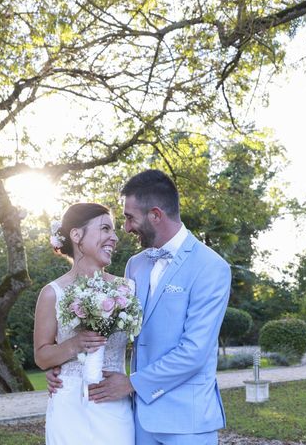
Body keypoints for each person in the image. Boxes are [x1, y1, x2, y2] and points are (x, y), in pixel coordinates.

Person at [47, 170, 231, 445]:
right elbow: (114, 329)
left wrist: (132, 384)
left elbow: (195, 351)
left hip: (187, 421)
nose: (126, 228)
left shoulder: (211, 267)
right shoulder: (136, 265)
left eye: (130, 217)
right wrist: (64, 362)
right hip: (138, 421)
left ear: (155, 215)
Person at [34, 202, 135, 445]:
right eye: (105, 229)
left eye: (113, 231)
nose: (114, 237)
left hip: (113, 405)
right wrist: (74, 345)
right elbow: (41, 356)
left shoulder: (128, 288)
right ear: (77, 235)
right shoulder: (52, 293)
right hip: (69, 405)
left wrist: (134, 383)